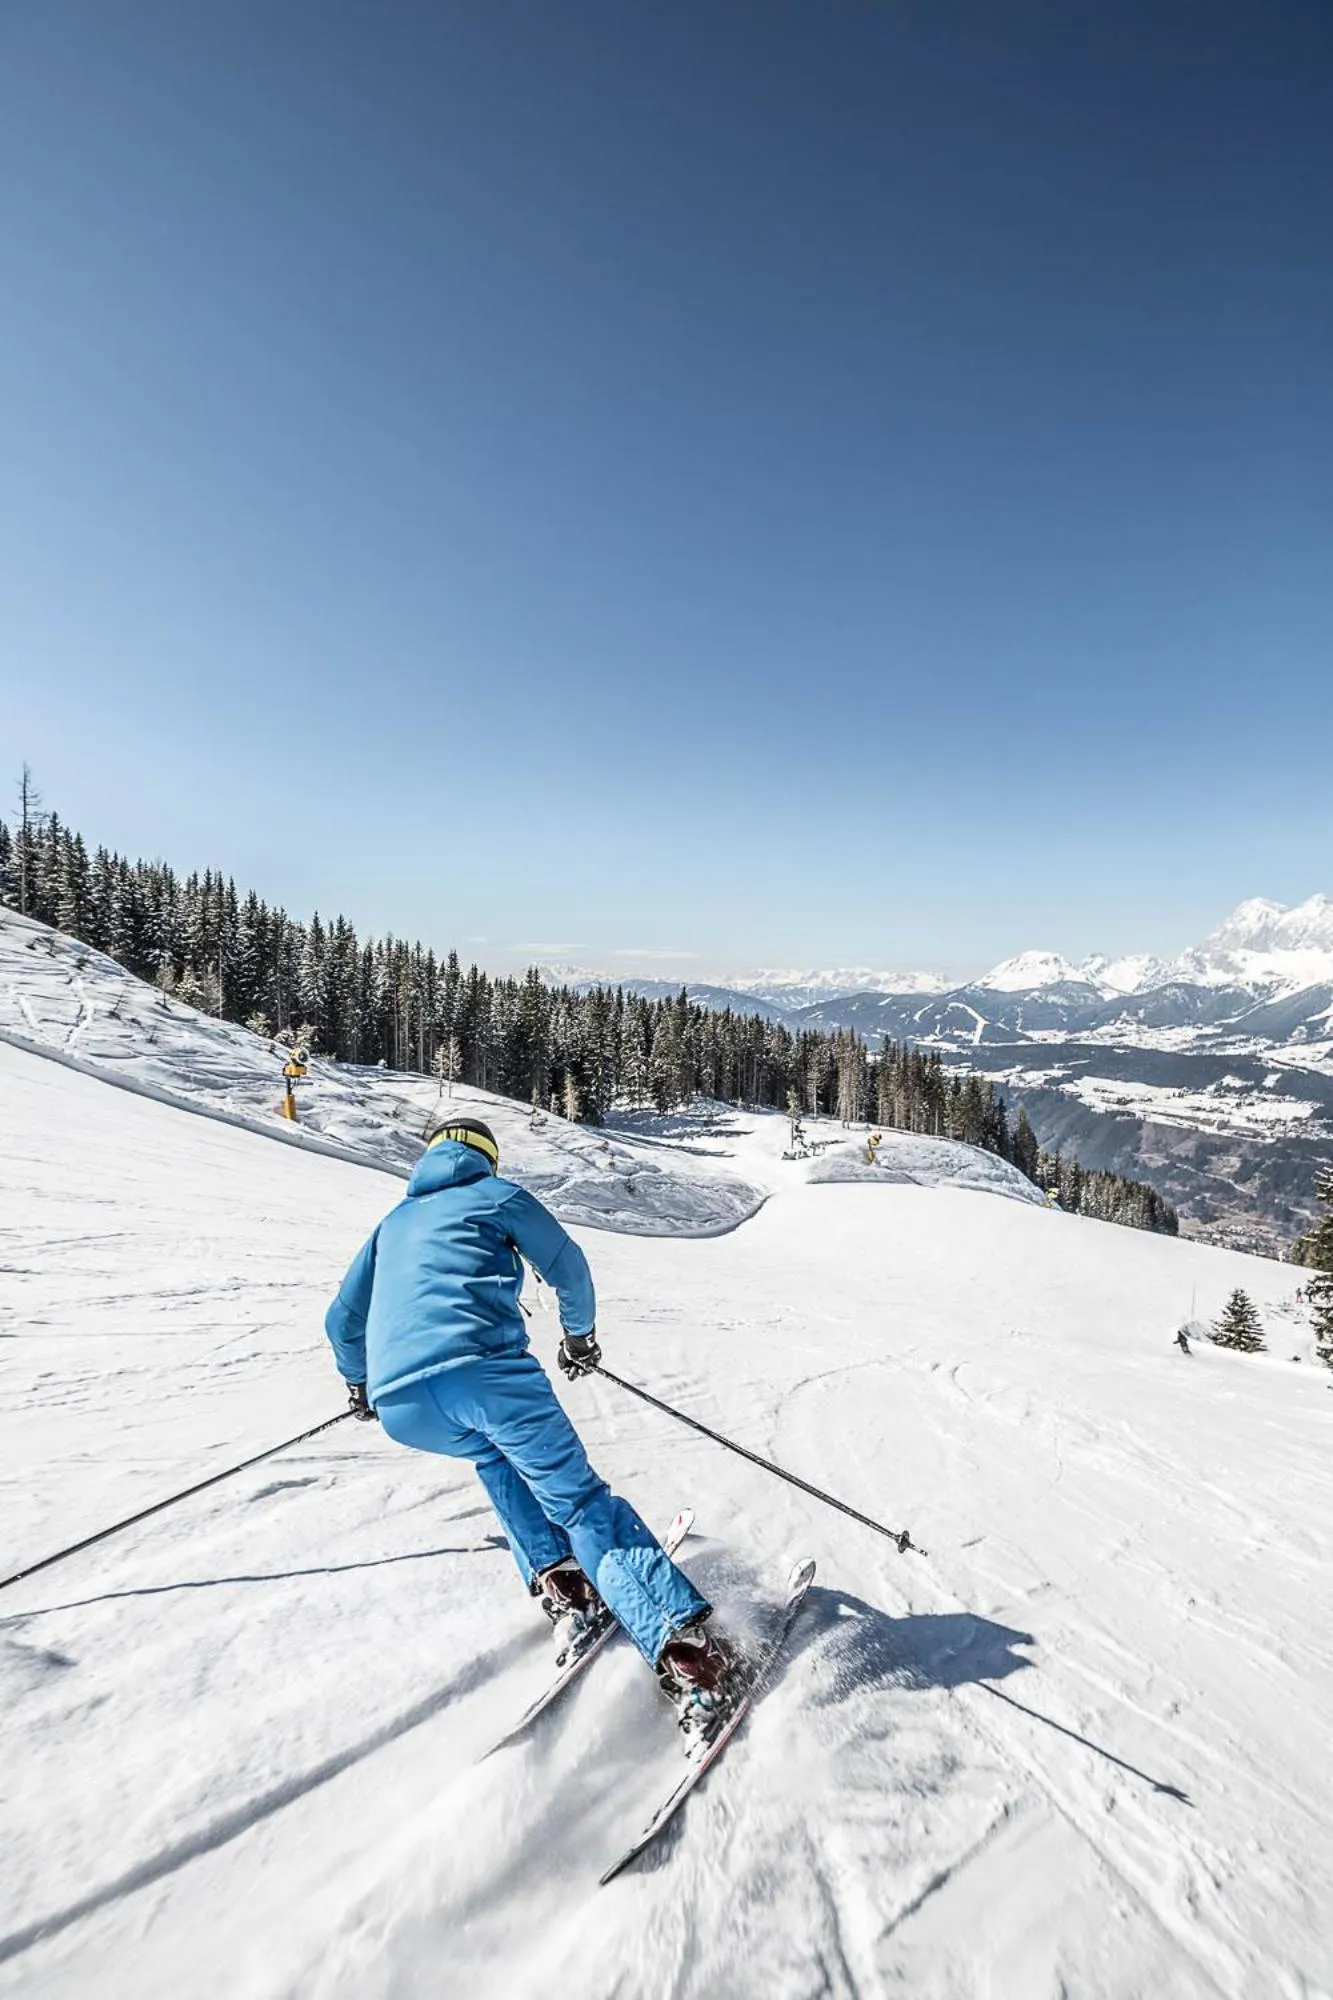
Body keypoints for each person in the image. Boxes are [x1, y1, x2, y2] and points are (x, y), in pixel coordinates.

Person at [324, 1112, 732, 1726]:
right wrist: (579, 1338)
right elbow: (567, 1266)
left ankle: (563, 1585)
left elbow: (340, 1320)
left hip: (404, 1407)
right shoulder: (497, 1195)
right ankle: (689, 1654)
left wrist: (360, 1383)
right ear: (489, 1158)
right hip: (488, 1376)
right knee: (581, 1506)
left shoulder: (392, 1224)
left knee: (492, 1458)